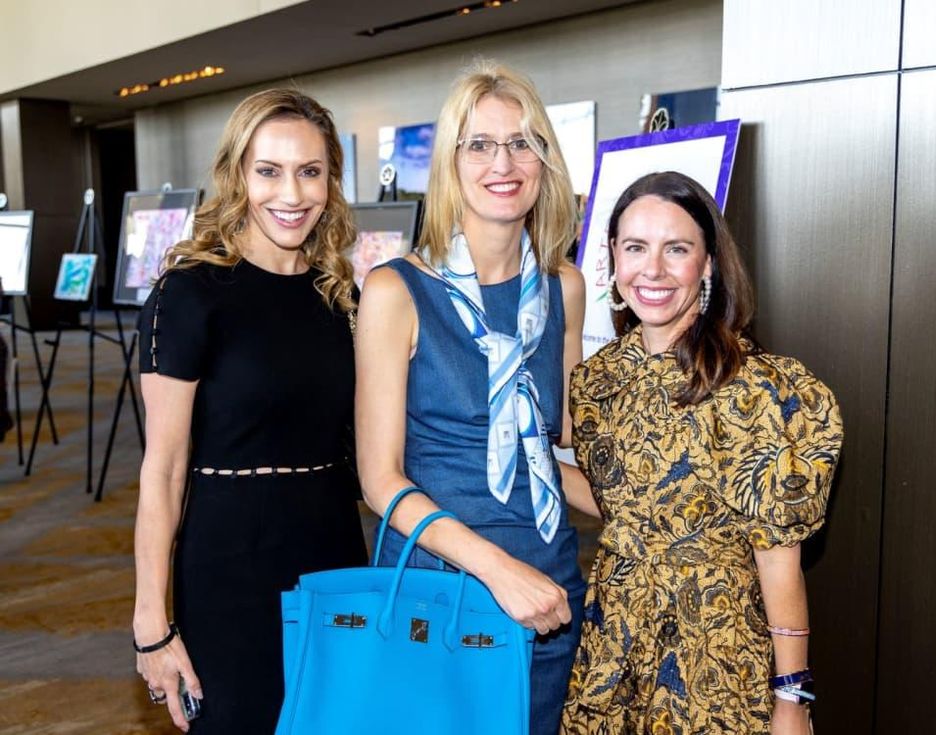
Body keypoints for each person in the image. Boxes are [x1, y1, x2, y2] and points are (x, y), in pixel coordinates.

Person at [356, 60, 597, 735]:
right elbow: (379, 481)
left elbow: (554, 449)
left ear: (544, 160)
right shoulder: (396, 290)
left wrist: (648, 507)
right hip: (445, 588)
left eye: (523, 142)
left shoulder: (564, 287)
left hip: (551, 585)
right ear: (450, 162)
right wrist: (501, 573)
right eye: (481, 144)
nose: (504, 161)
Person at [560, 172, 842, 735]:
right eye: (635, 247)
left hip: (715, 654)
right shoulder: (597, 381)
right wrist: (528, 465)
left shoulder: (754, 386)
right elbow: (625, 504)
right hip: (612, 644)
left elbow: (778, 561)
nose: (653, 269)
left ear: (708, 263)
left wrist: (794, 697)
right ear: (613, 259)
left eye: (677, 249)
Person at [132, 88, 367, 733]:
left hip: (333, 553)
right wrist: (151, 623)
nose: (291, 194)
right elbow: (163, 471)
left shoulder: (341, 296)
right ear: (237, 175)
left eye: (310, 171)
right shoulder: (189, 295)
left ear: (331, 181)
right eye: (269, 171)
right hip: (228, 565)